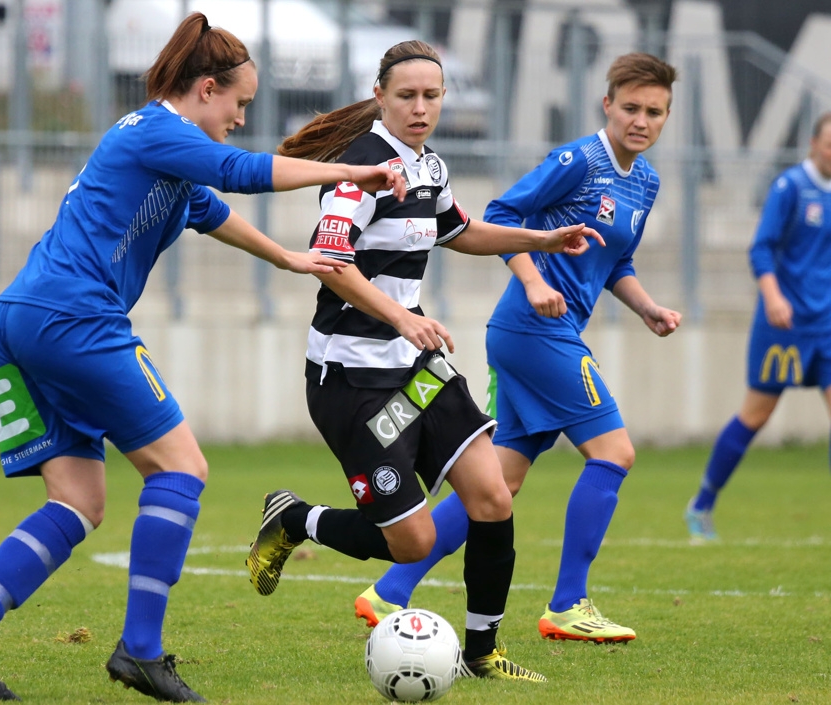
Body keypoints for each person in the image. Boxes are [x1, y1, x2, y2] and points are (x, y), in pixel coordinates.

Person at [0, 12, 411, 703]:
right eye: (240, 102)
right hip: (74, 317)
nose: (242, 117)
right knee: (182, 467)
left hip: (23, 317)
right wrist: (357, 168)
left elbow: (212, 208)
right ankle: (141, 653)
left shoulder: (159, 151)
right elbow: (238, 173)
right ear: (206, 88)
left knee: (78, 500)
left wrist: (287, 258)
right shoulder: (161, 131)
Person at [245, 40, 603, 683]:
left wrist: (542, 239)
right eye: (406, 95)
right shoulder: (358, 171)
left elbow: (461, 232)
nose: (420, 107)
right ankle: (295, 517)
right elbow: (332, 264)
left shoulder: (429, 167)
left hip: (415, 368)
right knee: (409, 542)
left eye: (431, 96)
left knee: (493, 496)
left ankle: (482, 653)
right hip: (350, 377)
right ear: (380, 96)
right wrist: (404, 317)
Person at [352, 52, 681, 644]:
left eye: (654, 112)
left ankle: (389, 592)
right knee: (616, 451)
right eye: (630, 107)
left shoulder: (647, 181)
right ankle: (568, 604)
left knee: (499, 485)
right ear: (607, 105)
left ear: (666, 117)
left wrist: (647, 307)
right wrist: (532, 280)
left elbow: (615, 259)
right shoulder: (579, 161)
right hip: (533, 329)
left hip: (546, 333)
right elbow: (502, 213)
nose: (641, 120)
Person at [685, 113, 831, 543]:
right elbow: (761, 248)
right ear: (813, 143)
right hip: (783, 323)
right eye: (829, 144)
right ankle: (702, 503)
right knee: (756, 415)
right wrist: (773, 296)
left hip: (826, 325)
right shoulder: (790, 187)